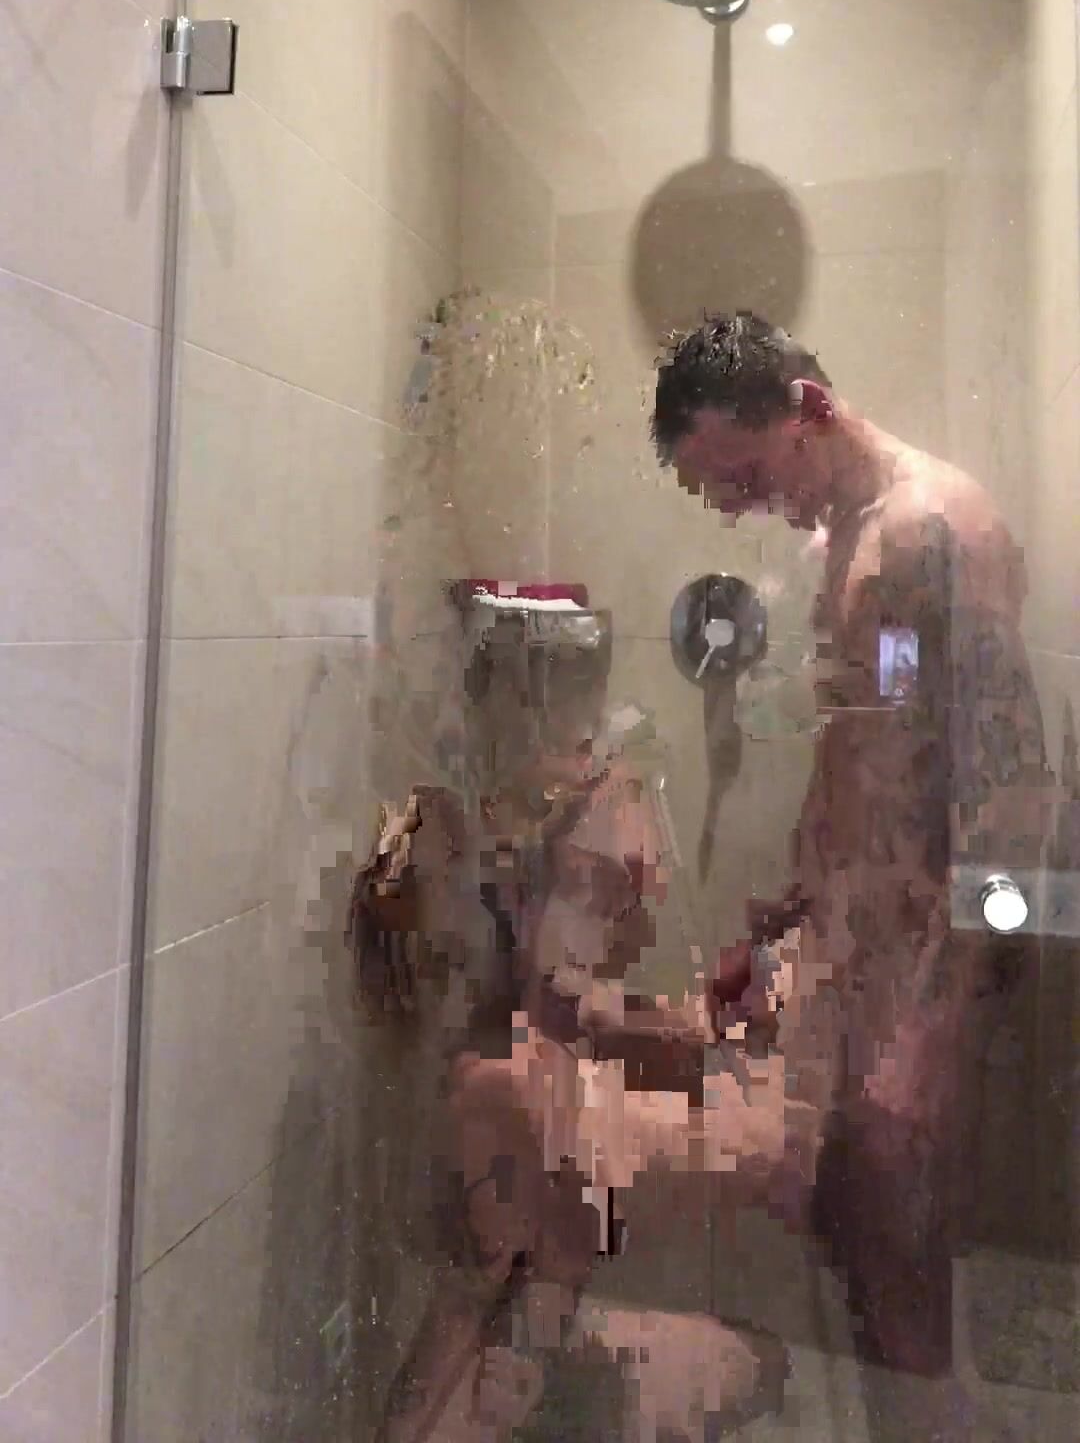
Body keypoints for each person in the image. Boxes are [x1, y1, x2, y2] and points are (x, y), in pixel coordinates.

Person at [651, 310, 1055, 1432]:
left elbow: (1014, 795)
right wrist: (784, 918)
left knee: (911, 1300)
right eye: (720, 493)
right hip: (855, 956)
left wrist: (935, 1028)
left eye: (744, 475)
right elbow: (867, 761)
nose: (741, 507)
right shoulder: (842, 542)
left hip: (928, 970)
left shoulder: (936, 530)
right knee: (858, 1261)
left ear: (809, 409)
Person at [352, 600, 786, 1443]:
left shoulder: (559, 831)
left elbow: (586, 1007)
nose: (640, 871)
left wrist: (701, 1031)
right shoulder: (499, 1064)